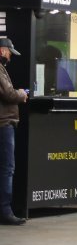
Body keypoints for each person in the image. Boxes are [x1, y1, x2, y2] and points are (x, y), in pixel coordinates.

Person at [0, 38, 28, 225]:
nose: (10, 57)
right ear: (2, 51)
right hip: (3, 124)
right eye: (9, 52)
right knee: (7, 169)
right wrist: (22, 94)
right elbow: (8, 94)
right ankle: (5, 211)